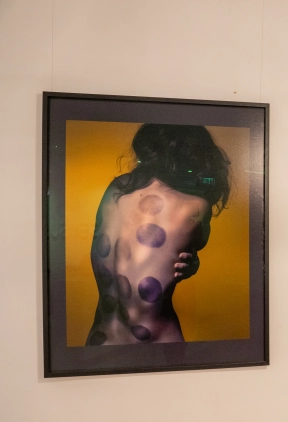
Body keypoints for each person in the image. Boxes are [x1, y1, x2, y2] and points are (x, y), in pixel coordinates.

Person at [85, 124, 231, 345]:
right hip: (157, 346)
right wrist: (192, 263)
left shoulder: (117, 188)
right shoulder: (194, 206)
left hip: (101, 341)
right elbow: (196, 243)